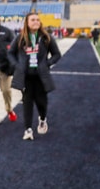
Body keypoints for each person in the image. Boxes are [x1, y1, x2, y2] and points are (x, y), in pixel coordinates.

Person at [9, 12, 62, 140]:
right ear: (27, 23)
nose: (36, 22)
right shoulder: (20, 38)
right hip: (26, 76)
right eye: (33, 20)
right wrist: (17, 65)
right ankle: (28, 129)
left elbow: (57, 54)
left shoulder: (46, 37)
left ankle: (42, 119)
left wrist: (47, 64)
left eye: (38, 20)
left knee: (41, 102)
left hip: (41, 76)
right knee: (27, 102)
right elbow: (10, 53)